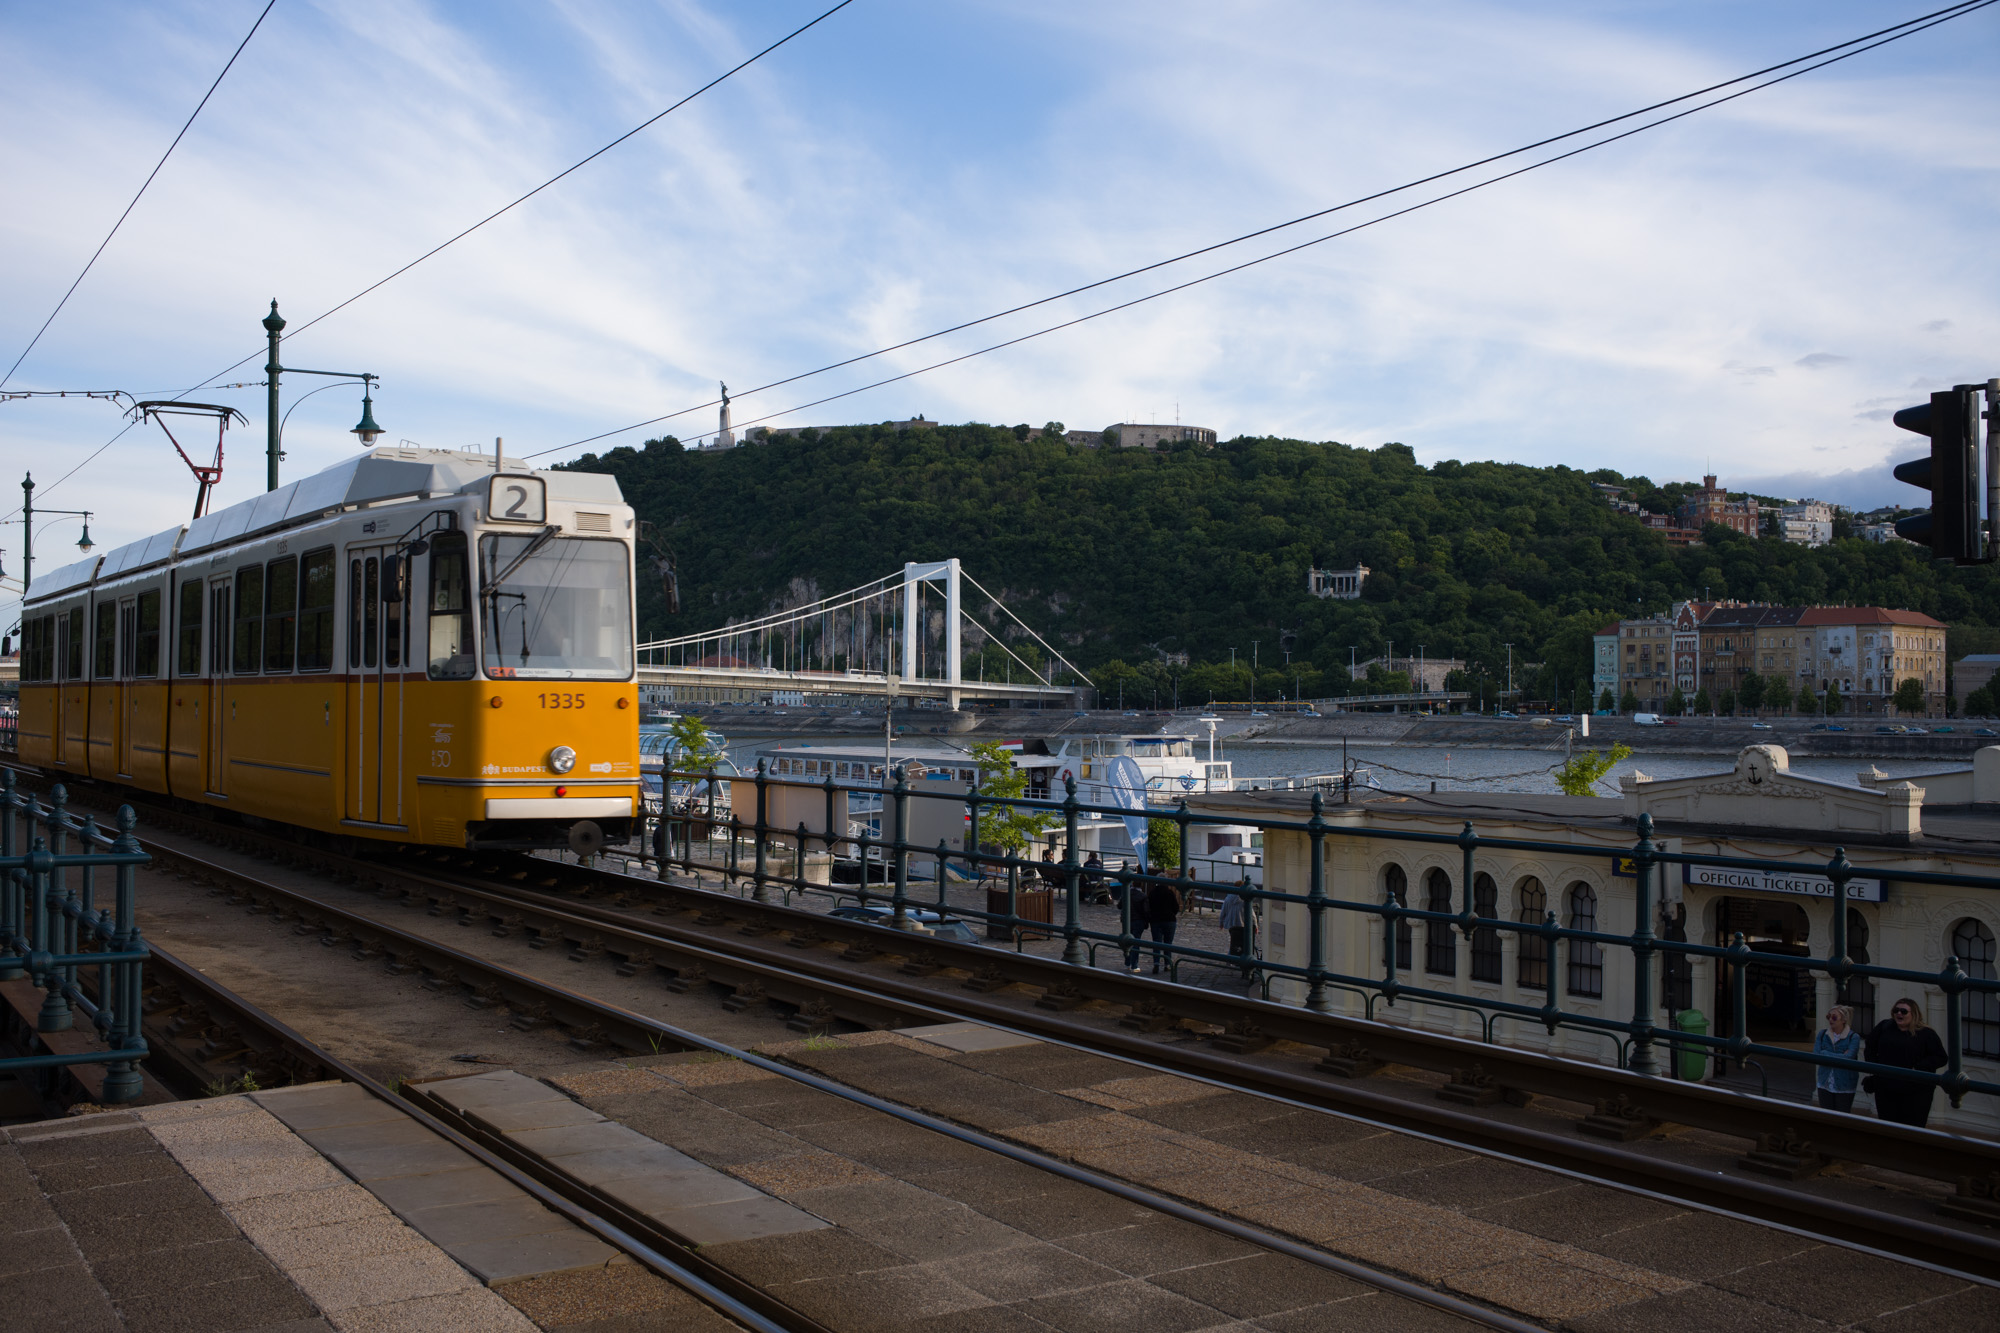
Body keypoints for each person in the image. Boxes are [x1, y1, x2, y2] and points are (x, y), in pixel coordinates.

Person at [1864, 997, 1948, 1127]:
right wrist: (1875, 1067)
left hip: (1915, 1092)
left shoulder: (1926, 1034)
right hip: (1886, 1089)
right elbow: (1870, 1045)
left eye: (1903, 1011)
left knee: (1912, 1127)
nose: (1899, 1013)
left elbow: (1941, 1057)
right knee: (1888, 1127)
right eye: (1896, 1010)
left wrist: (1918, 1067)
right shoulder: (1885, 1027)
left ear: (1913, 1014)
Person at [1812, 1003, 1861, 1112]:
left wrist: (1825, 1053)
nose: (1831, 1020)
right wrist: (1840, 1055)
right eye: (1829, 1016)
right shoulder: (1822, 1034)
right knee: (1826, 1115)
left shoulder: (1853, 1037)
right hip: (1824, 1082)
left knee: (1842, 1115)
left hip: (1845, 1085)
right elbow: (1816, 1055)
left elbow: (1849, 1057)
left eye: (1834, 1017)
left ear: (1843, 1020)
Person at [1147, 867, 1185, 975]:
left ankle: (1156, 963)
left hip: (1156, 920)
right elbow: (1176, 907)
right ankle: (1167, 964)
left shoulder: (1152, 893)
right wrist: (1172, 914)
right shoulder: (1170, 893)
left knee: (1157, 943)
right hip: (1169, 920)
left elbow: (1149, 906)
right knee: (1168, 943)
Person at [1115, 862, 1150, 972]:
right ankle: (1134, 965)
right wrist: (1146, 921)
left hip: (1126, 920)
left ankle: (1127, 961)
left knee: (1126, 941)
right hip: (1138, 921)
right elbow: (1146, 911)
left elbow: (1119, 906)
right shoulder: (1143, 896)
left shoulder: (1126, 893)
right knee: (1136, 943)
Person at [1220, 883, 1252, 979]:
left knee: (1233, 940)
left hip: (1231, 924)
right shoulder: (1245, 899)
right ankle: (1236, 958)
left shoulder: (1228, 898)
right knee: (1241, 942)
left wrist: (1221, 922)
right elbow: (1251, 913)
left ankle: (1230, 958)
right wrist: (1255, 924)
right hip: (1242, 924)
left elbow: (1223, 911)